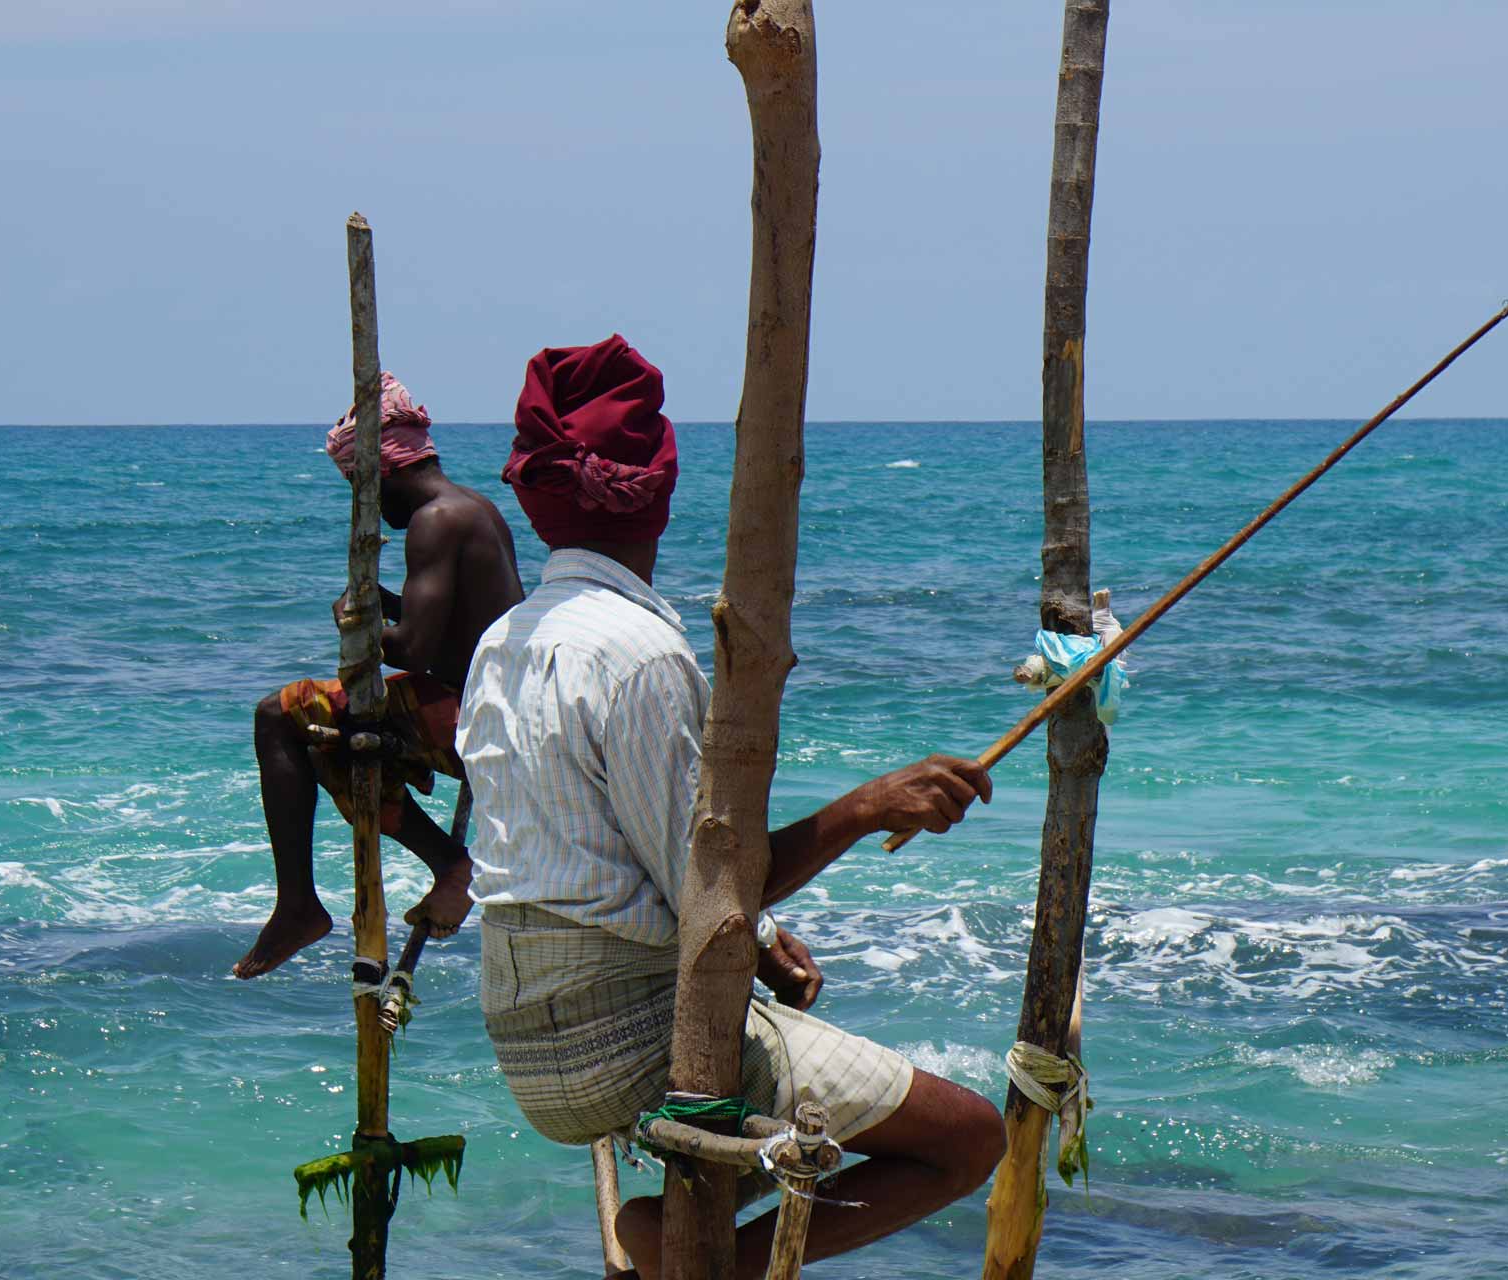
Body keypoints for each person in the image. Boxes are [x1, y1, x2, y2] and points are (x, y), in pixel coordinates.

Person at [461, 335, 1004, 1278]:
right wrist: (871, 805)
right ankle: (696, 1264)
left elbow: (617, 863)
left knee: (806, 1108)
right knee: (968, 1137)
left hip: (523, 1037)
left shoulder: (501, 641)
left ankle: (676, 1241)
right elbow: (703, 885)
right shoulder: (639, 652)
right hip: (623, 1043)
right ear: (663, 489)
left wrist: (756, 943)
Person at [233, 373, 526, 979]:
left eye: (357, 486)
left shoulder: (433, 521)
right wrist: (386, 602)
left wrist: (357, 623)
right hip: (488, 698)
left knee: (281, 716)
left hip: (467, 712)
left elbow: (411, 647)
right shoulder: (472, 508)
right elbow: (449, 619)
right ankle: (447, 862)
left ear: (381, 474)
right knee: (335, 740)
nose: (362, 505)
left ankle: (302, 904)